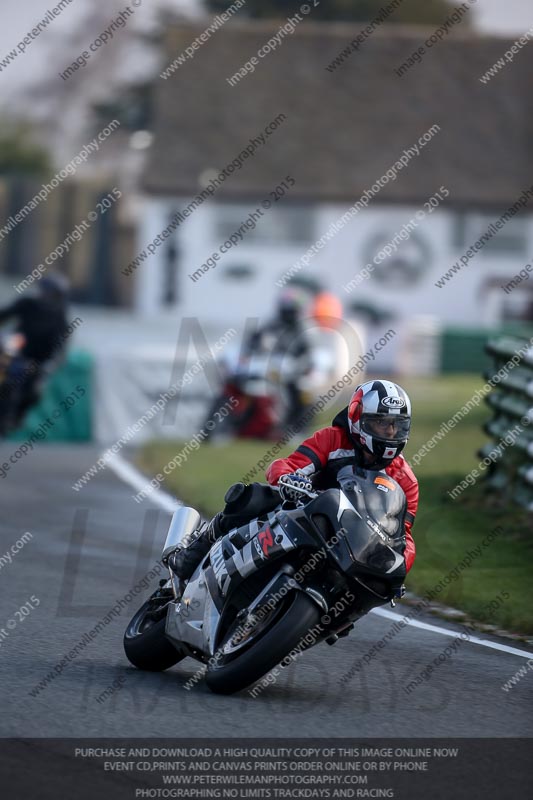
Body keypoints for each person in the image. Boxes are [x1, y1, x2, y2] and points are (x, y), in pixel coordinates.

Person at [169, 379, 418, 588]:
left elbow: (402, 535)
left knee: (371, 589)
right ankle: (191, 556)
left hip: (350, 545)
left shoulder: (406, 481)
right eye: (381, 422)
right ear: (356, 417)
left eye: (397, 425)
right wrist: (288, 479)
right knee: (251, 497)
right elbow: (286, 465)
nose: (389, 432)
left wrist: (398, 566)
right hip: (306, 513)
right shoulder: (332, 440)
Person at [0, 274, 70, 427]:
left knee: (34, 394)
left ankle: (15, 417)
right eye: (45, 291)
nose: (46, 296)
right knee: (7, 379)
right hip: (16, 353)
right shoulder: (27, 304)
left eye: (52, 293)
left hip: (38, 362)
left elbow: (61, 346)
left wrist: (51, 364)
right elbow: (5, 315)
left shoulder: (59, 316)